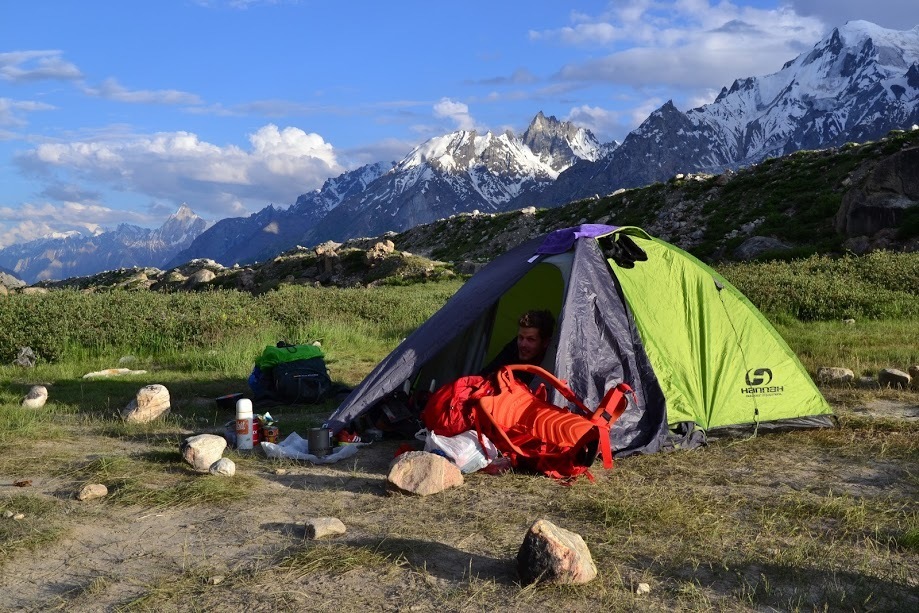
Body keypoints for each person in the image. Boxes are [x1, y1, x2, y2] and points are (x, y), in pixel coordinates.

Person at [481, 309, 556, 378]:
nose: (523, 344)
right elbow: (487, 372)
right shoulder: (513, 348)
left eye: (531, 339)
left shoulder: (550, 364)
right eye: (520, 337)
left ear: (545, 343)